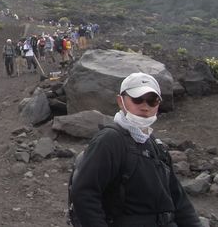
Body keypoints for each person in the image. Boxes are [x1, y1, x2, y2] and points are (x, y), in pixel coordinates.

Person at [70, 73, 202, 226]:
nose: (145, 106)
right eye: (137, 99)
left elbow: (179, 200)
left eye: (152, 100)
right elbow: (84, 194)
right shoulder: (109, 141)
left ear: (158, 104)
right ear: (121, 101)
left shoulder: (156, 146)